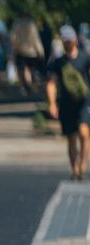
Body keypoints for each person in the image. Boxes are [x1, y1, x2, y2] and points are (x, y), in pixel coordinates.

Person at [48, 25, 90, 179]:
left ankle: (83, 165)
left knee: (84, 133)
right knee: (71, 137)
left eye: (69, 40)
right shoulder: (58, 62)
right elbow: (51, 83)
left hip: (84, 101)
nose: (67, 43)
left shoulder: (85, 58)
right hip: (66, 103)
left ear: (75, 40)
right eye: (65, 41)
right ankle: (75, 169)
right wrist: (52, 103)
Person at [11, 11, 46, 94]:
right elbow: (36, 39)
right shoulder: (31, 24)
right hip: (32, 51)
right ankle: (32, 85)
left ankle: (25, 86)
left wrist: (15, 48)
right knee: (32, 69)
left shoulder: (16, 24)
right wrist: (40, 52)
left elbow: (13, 38)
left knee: (22, 69)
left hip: (21, 50)